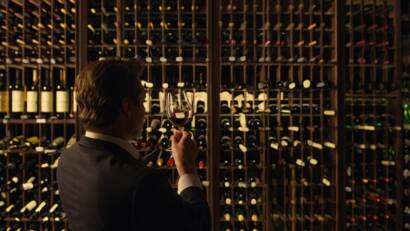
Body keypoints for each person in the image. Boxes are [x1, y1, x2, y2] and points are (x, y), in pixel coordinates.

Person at [56, 58, 211, 231]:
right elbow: (198, 225)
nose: (145, 111)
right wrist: (187, 167)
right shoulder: (143, 181)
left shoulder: (66, 160)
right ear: (127, 107)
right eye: (143, 102)